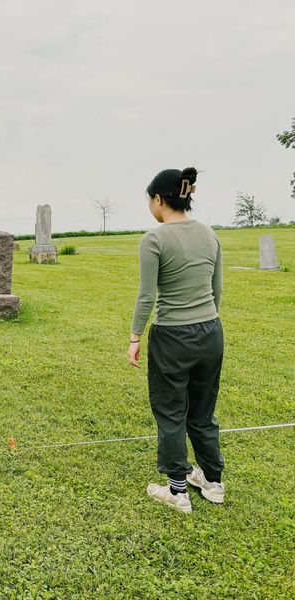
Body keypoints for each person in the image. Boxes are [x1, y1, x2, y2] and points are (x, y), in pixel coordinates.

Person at [128, 167, 225, 513]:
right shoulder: (210, 235)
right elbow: (217, 292)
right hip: (211, 332)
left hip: (172, 337)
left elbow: (147, 296)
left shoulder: (153, 239)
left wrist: (135, 336)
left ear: (158, 199)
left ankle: (177, 491)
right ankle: (213, 482)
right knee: (203, 412)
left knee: (171, 412)